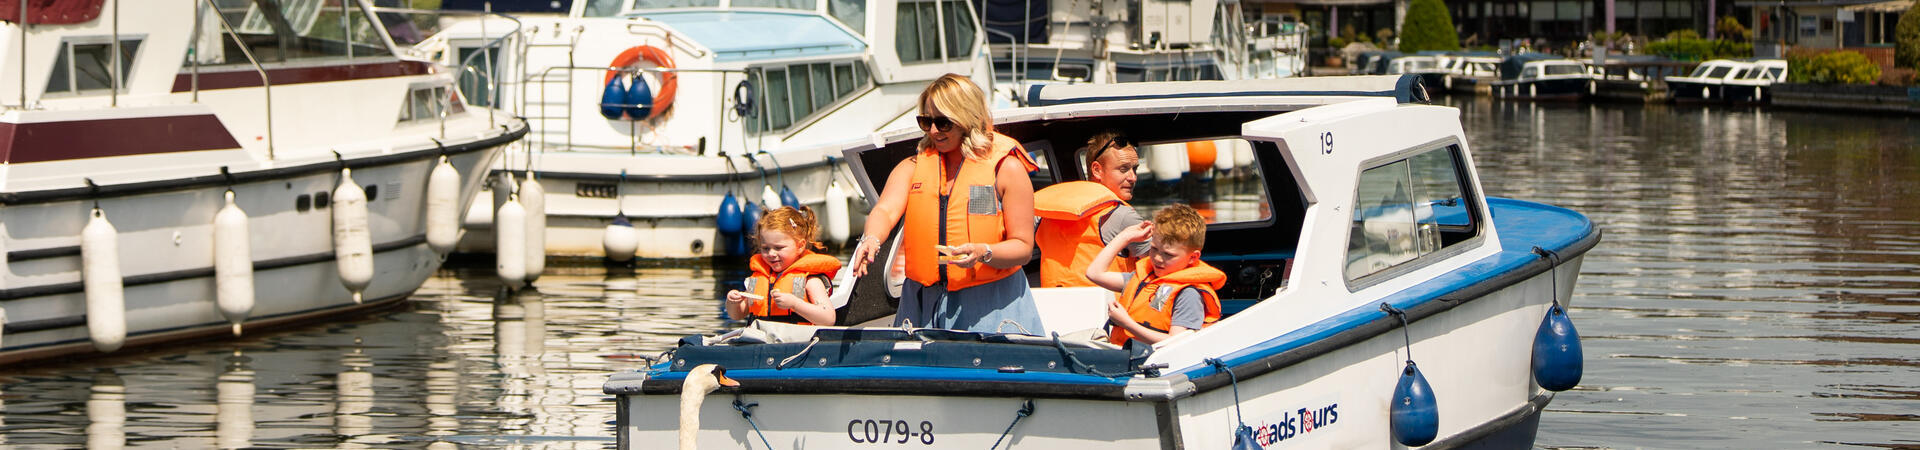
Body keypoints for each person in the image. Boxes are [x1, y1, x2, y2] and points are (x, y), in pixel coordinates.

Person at [848, 73, 1044, 333]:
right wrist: (871, 239)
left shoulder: (1006, 169)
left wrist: (984, 252)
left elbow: (1023, 247)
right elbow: (885, 209)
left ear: (967, 119)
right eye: (926, 121)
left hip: (991, 302)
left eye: (943, 123)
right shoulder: (913, 167)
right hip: (922, 302)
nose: (932, 131)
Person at [1085, 204, 1225, 348]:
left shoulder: (1189, 294)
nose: (1158, 258)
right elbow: (1094, 273)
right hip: (1123, 357)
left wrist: (1127, 324)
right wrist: (1125, 237)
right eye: (1154, 249)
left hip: (1156, 364)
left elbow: (1177, 343)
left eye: (1168, 254)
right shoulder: (1144, 277)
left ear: (1192, 257)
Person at [1033, 129, 1151, 287]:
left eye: (1134, 169)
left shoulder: (1044, 214)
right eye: (1123, 169)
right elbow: (1159, 271)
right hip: (1107, 309)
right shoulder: (1123, 216)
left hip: (1055, 307)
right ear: (1097, 170)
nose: (1133, 177)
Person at [726, 206, 842, 325]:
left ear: (800, 246)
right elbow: (737, 315)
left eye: (779, 248)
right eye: (765, 248)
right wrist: (733, 302)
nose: (771, 253)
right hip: (761, 340)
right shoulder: (758, 277)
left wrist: (795, 304)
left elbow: (828, 319)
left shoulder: (810, 280)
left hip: (798, 341)